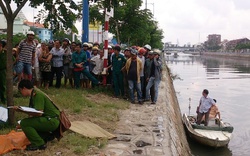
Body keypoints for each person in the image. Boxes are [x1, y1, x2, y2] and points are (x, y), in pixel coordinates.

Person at [15, 79, 60, 151]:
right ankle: (47, 136)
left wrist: (21, 111)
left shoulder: (37, 95)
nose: (21, 92)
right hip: (51, 119)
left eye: (20, 90)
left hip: (52, 120)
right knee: (27, 123)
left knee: (24, 123)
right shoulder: (34, 94)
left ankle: (39, 143)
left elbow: (39, 113)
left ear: (24, 88)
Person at [0, 40, 7, 104]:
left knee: (2, 86)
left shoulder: (5, 53)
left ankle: (3, 99)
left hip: (2, 71)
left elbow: (13, 59)